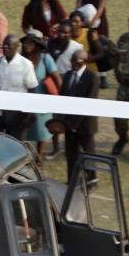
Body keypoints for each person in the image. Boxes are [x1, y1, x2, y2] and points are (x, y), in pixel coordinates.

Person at [55, 50, 100, 180]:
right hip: (69, 124)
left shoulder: (92, 77)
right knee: (71, 154)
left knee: (88, 154)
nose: (73, 63)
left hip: (85, 124)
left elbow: (89, 104)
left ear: (85, 62)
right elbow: (62, 98)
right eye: (72, 60)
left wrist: (74, 124)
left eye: (77, 61)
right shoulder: (69, 75)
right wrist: (61, 121)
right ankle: (72, 180)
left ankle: (92, 180)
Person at [20, 30, 61, 164]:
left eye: (30, 42)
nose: (27, 44)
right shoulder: (20, 58)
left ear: (37, 44)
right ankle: (24, 156)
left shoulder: (45, 59)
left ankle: (39, 157)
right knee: (24, 130)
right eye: (25, 41)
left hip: (42, 100)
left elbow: (57, 79)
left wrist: (62, 100)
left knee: (40, 130)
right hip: (24, 100)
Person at [0, 34, 39, 137]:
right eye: (4, 45)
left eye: (9, 45)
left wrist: (30, 114)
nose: (5, 47)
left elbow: (32, 90)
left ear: (16, 47)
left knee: (15, 143)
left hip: (16, 113)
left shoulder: (26, 64)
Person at [112, 14, 129, 157]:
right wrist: (116, 72)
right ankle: (123, 138)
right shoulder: (123, 38)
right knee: (119, 118)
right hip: (124, 86)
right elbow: (116, 56)